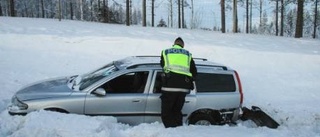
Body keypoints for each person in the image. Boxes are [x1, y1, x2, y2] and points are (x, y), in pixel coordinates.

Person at [160, 37, 197, 128]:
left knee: (166, 112)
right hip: (183, 88)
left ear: (174, 44)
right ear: (183, 45)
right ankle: (178, 128)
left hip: (169, 87)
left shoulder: (166, 52)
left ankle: (171, 130)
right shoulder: (188, 54)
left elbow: (162, 64)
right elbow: (194, 71)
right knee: (177, 110)